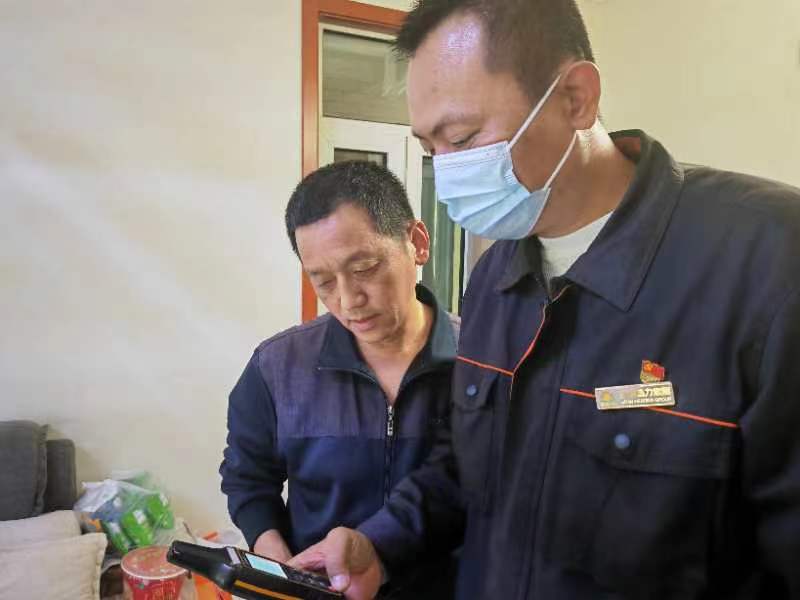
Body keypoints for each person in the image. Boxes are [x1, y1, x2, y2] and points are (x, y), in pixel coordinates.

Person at [289, 1, 800, 598]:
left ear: (575, 98)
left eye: (463, 138)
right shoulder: (496, 276)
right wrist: (380, 542)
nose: (448, 173)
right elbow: (469, 466)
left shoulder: (765, 263)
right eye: (431, 149)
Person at [219, 160, 461, 598]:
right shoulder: (277, 367)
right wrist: (276, 560)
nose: (349, 301)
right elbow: (248, 478)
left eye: (364, 267)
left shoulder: (481, 363)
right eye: (324, 281)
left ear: (417, 243)